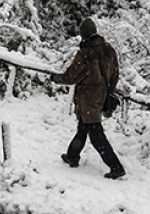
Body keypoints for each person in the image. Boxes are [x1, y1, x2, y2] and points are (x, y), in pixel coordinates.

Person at [51, 17, 126, 179]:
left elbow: (71, 77)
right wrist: (107, 92)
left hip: (88, 98)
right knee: (83, 126)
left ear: (83, 35)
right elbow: (115, 74)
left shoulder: (86, 54)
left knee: (95, 133)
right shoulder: (109, 50)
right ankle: (72, 156)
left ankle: (116, 167)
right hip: (101, 95)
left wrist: (55, 78)